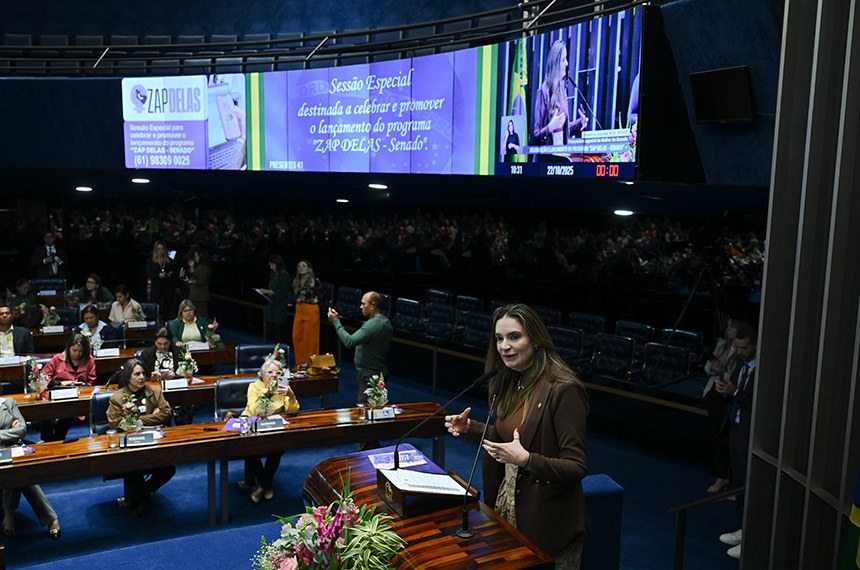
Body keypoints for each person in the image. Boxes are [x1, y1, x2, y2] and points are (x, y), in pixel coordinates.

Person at [444, 303, 589, 568]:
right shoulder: (511, 380)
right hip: (508, 506)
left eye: (514, 337)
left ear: (535, 340)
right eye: (499, 338)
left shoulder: (563, 389)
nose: (504, 346)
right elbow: (511, 438)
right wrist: (470, 428)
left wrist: (526, 460)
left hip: (547, 521)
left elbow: (576, 467)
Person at [223, 356, 299, 503]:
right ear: (263, 374)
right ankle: (267, 485)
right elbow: (252, 409)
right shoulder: (255, 386)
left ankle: (261, 486)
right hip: (252, 423)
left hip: (272, 425)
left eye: (277, 373)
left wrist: (290, 395)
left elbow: (292, 410)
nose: (274, 376)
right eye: (270, 372)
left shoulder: (282, 387)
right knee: (250, 449)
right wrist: (263, 395)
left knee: (278, 450)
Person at [106, 358, 175, 517]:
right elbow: (116, 423)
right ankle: (143, 500)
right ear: (128, 377)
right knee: (132, 466)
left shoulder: (155, 391)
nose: (141, 377)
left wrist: (137, 420)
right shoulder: (117, 398)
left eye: (143, 373)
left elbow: (165, 414)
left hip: (154, 441)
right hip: (131, 443)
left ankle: (141, 494)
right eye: (137, 374)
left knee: (169, 469)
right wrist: (152, 416)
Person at [714, 322, 758, 560]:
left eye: (744, 348)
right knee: (740, 482)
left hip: (753, 433)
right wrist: (725, 390)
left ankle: (752, 536)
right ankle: (743, 529)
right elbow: (735, 393)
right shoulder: (740, 364)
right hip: (737, 429)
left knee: (751, 484)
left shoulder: (764, 370)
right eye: (737, 347)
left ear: (756, 345)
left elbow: (759, 402)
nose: (739, 352)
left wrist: (734, 393)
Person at [1, 396, 61, 539]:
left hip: (12, 448)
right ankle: (51, 518)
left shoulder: (8, 403)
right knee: (21, 475)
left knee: (19, 470)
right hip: (7, 447)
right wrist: (10, 431)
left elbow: (22, 430)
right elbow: (16, 431)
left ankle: (9, 515)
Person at [701, 315, 749, 494]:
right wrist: (712, 368)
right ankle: (722, 476)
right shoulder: (722, 344)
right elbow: (707, 367)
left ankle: (731, 480)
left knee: (728, 439)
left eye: (731, 326)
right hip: (713, 393)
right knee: (716, 436)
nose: (727, 330)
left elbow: (739, 377)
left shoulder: (744, 350)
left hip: (729, 398)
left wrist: (725, 373)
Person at [327, 291, 392, 405]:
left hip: (369, 377)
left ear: (372, 305)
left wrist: (336, 321)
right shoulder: (384, 321)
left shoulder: (373, 325)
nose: (360, 307)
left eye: (363, 304)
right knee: (376, 407)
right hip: (377, 373)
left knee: (365, 411)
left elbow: (349, 341)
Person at [532, 40, 588, 157]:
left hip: (563, 158)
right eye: (563, 60)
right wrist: (550, 127)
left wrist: (579, 123)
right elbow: (535, 137)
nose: (567, 63)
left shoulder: (562, 89)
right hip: (546, 162)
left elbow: (563, 131)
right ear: (555, 63)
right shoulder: (543, 92)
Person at [41, 333, 97, 441]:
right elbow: (44, 379)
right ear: (68, 348)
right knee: (45, 409)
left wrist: (81, 386)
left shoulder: (89, 360)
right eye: (74, 350)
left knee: (70, 408)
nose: (77, 354)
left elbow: (91, 381)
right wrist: (62, 383)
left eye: (80, 351)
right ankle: (47, 440)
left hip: (77, 394)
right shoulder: (57, 359)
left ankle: (58, 438)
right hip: (56, 393)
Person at [292, 260, 322, 367]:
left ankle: (310, 364)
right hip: (299, 309)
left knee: (310, 339)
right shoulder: (296, 280)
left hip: (311, 309)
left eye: (304, 266)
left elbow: (321, 296)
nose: (301, 268)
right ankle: (300, 363)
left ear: (309, 268)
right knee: (297, 336)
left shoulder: (315, 281)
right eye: (299, 266)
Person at [259, 254, 291, 342]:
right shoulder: (273, 275)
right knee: (271, 332)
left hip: (279, 308)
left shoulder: (285, 276)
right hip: (271, 307)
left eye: (273, 265)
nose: (271, 267)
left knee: (278, 333)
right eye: (270, 265)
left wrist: (267, 291)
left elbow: (281, 293)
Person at [146, 241, 178, 320]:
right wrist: (158, 275)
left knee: (167, 305)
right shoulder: (151, 261)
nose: (161, 251)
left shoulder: (169, 261)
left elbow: (174, 273)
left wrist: (169, 274)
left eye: (162, 249)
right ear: (155, 250)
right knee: (154, 304)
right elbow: (148, 273)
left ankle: (166, 321)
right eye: (158, 249)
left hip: (168, 285)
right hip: (156, 285)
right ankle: (153, 320)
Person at [183, 246, 211, 317]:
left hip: (200, 296)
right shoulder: (198, 267)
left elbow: (202, 280)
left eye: (196, 256)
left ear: (201, 255)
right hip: (195, 296)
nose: (194, 258)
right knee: (197, 315)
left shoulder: (203, 267)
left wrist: (190, 281)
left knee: (202, 315)